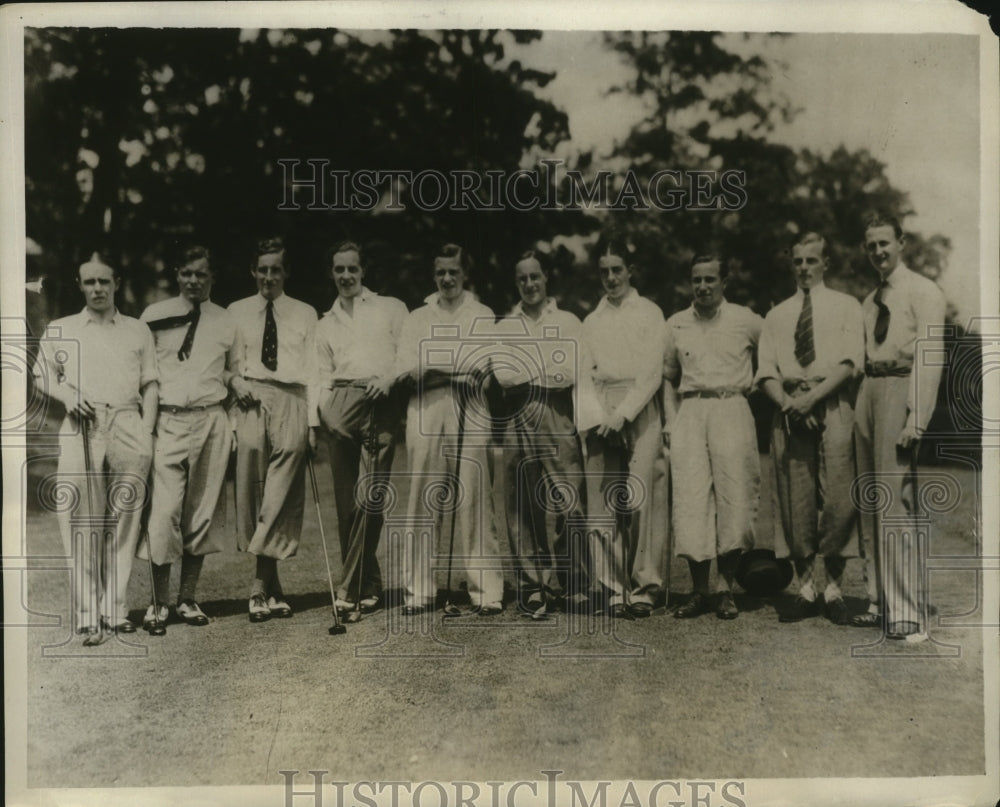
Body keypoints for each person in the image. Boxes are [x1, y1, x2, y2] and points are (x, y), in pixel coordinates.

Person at [37, 254, 158, 643]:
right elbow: (41, 376)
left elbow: (151, 383)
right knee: (79, 519)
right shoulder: (62, 328)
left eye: (104, 281)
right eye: (89, 282)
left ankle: (116, 608)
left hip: (127, 422)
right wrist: (66, 397)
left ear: (117, 282)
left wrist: (147, 432)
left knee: (124, 518)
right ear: (80, 285)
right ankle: (88, 612)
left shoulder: (137, 330)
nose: (97, 289)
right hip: (81, 425)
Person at [755, 233, 864, 624]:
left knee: (839, 495)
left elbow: (850, 363)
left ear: (826, 263)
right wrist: (791, 403)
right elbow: (766, 370)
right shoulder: (777, 314)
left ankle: (834, 590)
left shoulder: (846, 306)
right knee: (794, 495)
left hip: (832, 402)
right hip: (789, 408)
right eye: (798, 261)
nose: (804, 268)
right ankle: (805, 588)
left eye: (812, 260)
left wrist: (813, 398)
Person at [394, 243, 504, 616]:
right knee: (423, 499)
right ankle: (420, 588)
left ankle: (486, 589)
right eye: (440, 272)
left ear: (464, 273)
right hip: (425, 412)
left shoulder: (483, 314)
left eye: (453, 272)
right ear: (433, 273)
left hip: (470, 411)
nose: (446, 279)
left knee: (474, 497)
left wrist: (434, 367)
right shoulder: (416, 317)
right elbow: (408, 373)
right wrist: (451, 368)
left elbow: (481, 375)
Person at [851, 214, 946, 642]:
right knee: (870, 500)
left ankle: (906, 608)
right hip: (868, 390)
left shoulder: (924, 291)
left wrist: (917, 418)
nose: (878, 252)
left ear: (901, 242)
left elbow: (930, 355)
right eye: (871, 246)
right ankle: (878, 600)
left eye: (884, 243)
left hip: (900, 388)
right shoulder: (869, 300)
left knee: (895, 504)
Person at [139, 246, 239, 629]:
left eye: (201, 274)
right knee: (164, 513)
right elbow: (142, 373)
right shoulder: (154, 315)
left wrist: (227, 423)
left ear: (212, 277)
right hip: (168, 421)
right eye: (187, 274)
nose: (194, 281)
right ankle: (158, 602)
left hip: (211, 421)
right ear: (177, 274)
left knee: (201, 513)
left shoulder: (226, 321)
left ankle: (187, 599)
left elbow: (233, 373)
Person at [664, 254, 763, 619]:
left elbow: (773, 358)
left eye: (710, 279)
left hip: (732, 407)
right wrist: (671, 421)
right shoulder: (675, 324)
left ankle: (725, 589)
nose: (703, 287)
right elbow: (666, 375)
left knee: (734, 496)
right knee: (691, 500)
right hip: (690, 411)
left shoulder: (746, 320)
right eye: (696, 280)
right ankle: (698, 591)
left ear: (724, 282)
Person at [228, 237, 319, 623]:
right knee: (252, 487)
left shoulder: (305, 312)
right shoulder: (235, 311)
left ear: (286, 272)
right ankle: (274, 586)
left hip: (292, 399)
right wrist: (235, 384)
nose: (269, 276)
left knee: (282, 491)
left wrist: (312, 424)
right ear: (253, 271)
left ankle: (258, 586)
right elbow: (228, 365)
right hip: (250, 398)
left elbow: (314, 372)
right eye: (262, 269)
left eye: (276, 269)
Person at [494, 251, 589, 616]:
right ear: (516, 283)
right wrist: (547, 366)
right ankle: (533, 586)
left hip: (557, 413)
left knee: (571, 501)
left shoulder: (567, 321)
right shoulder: (505, 326)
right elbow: (504, 376)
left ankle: (573, 583)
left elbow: (572, 371)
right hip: (518, 414)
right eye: (523, 279)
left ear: (546, 278)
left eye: (535, 277)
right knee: (522, 504)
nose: (530, 284)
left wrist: (531, 369)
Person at [315, 241, 407, 615]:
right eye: (339, 270)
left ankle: (348, 588)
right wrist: (324, 413)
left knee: (371, 499)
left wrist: (388, 380)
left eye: (352, 269)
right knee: (346, 504)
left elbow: (407, 354)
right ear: (332, 273)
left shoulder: (390, 308)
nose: (346, 276)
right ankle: (369, 584)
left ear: (363, 270)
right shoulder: (326, 321)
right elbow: (320, 375)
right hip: (339, 404)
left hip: (380, 400)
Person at [578, 236, 668, 618]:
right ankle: (612, 587)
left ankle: (645, 585)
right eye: (604, 271)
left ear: (631, 271)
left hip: (639, 408)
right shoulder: (591, 319)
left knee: (642, 496)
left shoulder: (649, 312)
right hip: (601, 411)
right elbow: (583, 374)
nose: (611, 278)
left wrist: (624, 415)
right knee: (602, 504)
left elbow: (652, 373)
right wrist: (601, 417)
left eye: (617, 270)